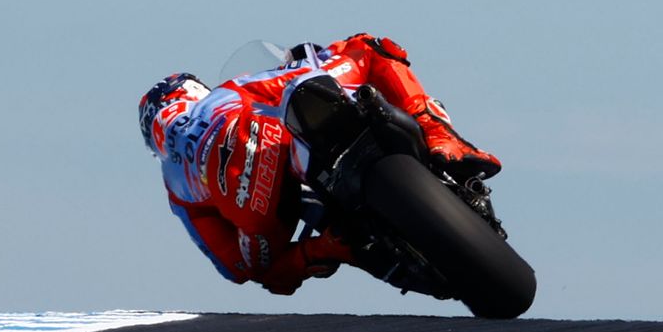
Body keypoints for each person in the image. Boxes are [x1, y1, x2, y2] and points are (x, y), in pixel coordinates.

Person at [138, 34, 502, 294]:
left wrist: (308, 253)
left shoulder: (175, 185)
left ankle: (333, 245)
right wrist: (310, 59)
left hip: (255, 207)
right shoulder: (227, 92)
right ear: (193, 90)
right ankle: (442, 138)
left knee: (261, 266)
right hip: (267, 137)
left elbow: (232, 266)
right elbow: (309, 69)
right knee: (371, 49)